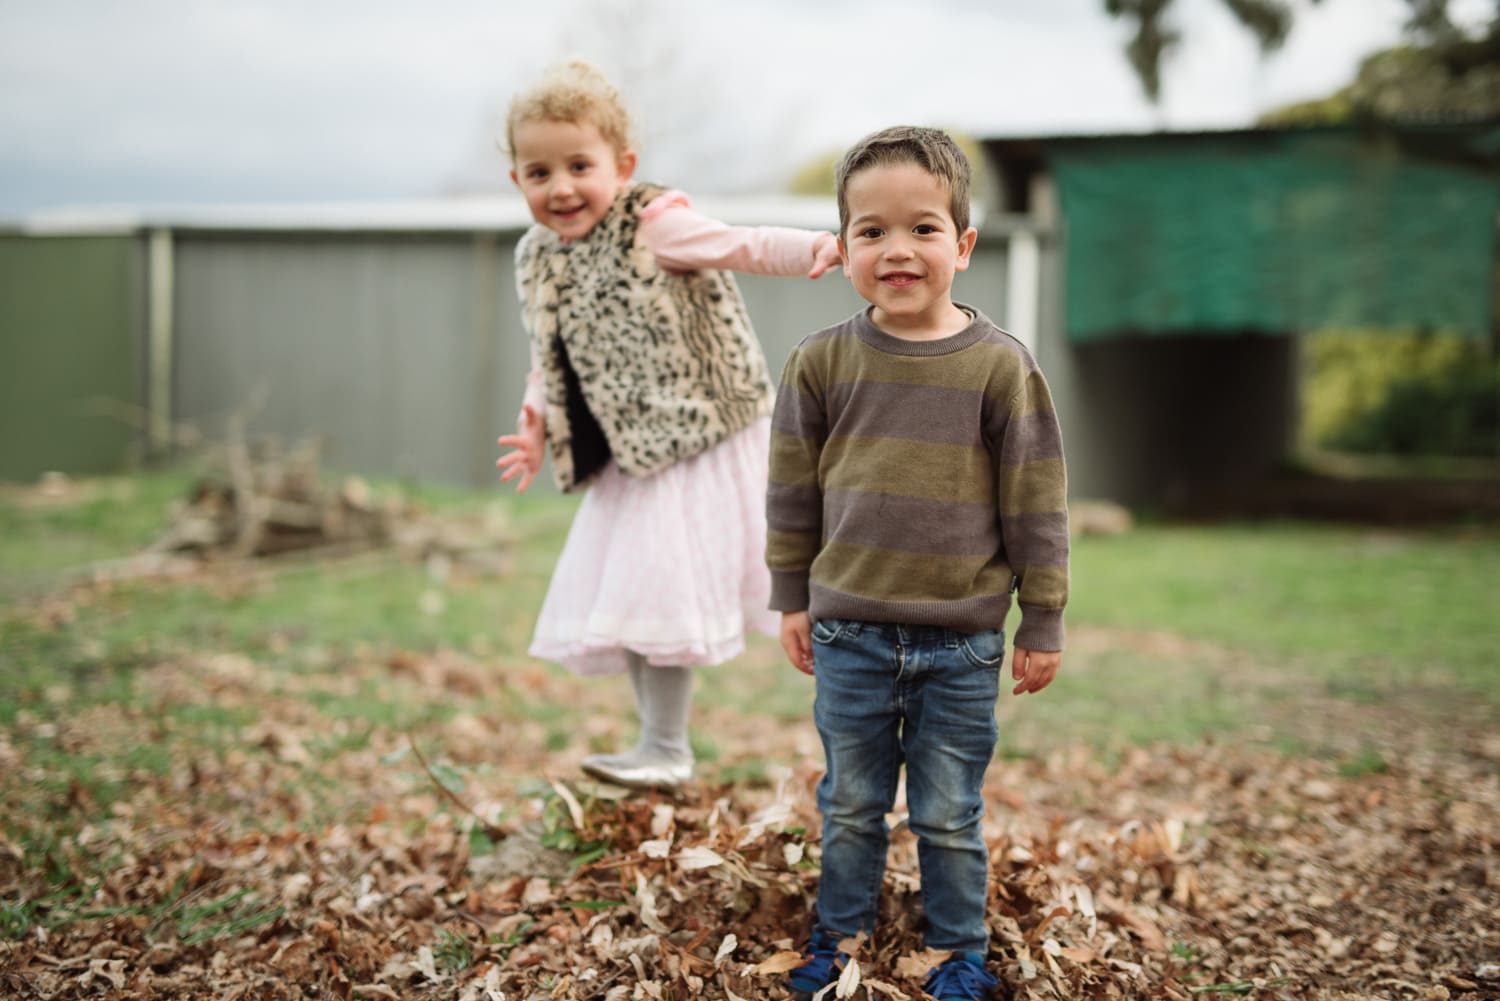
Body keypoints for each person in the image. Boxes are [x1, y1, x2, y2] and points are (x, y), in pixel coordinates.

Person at [766, 126, 1070, 1001]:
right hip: (850, 633)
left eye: (924, 228)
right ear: (844, 247)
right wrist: (793, 595)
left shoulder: (1000, 369)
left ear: (964, 245)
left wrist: (1042, 617)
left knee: (947, 814)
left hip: (962, 645)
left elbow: (1036, 503)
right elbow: (791, 491)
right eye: (872, 231)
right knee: (851, 805)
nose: (897, 249)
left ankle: (959, 951)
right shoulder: (820, 362)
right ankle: (839, 937)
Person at [494, 60, 843, 792]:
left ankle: (687, 741)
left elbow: (738, 243)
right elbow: (547, 356)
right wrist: (535, 424)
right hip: (630, 457)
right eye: (538, 171)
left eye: (579, 166)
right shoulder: (536, 260)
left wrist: (810, 246)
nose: (560, 187)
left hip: (701, 437)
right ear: (517, 178)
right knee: (632, 604)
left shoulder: (653, 224)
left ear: (622, 165)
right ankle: (661, 745)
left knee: (670, 596)